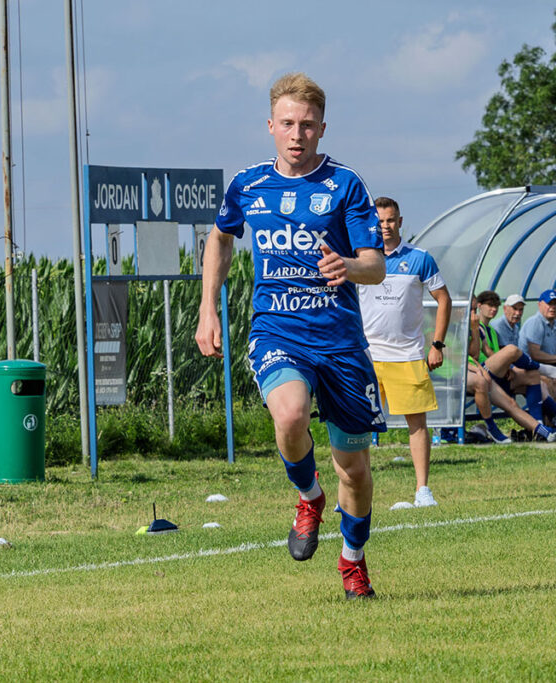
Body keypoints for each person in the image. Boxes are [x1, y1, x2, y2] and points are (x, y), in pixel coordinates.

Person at [195, 73, 385, 599]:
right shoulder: (249, 185)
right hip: (277, 329)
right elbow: (220, 238)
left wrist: (348, 265)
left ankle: (353, 562)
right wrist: (208, 308)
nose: (297, 134)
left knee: (355, 470)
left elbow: (375, 265)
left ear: (322, 128)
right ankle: (308, 495)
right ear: (270, 126)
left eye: (307, 125)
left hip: (340, 342)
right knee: (290, 414)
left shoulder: (346, 185)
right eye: (287, 124)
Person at [358, 196, 451, 508]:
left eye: (390, 220)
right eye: (379, 221)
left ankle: (422, 490)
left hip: (407, 355)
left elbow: (444, 299)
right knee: (356, 426)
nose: (385, 226)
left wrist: (437, 344)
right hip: (366, 355)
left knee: (417, 424)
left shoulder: (420, 258)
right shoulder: (359, 258)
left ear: (399, 222)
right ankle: (353, 490)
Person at [466, 297, 556, 443]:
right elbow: (472, 356)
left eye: (474, 310)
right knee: (511, 350)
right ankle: (543, 373)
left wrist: (506, 366)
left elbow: (489, 352)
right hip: (477, 373)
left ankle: (542, 430)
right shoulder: (477, 326)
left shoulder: (487, 329)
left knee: (532, 377)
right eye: (470, 310)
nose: (473, 313)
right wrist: (484, 366)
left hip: (491, 372)